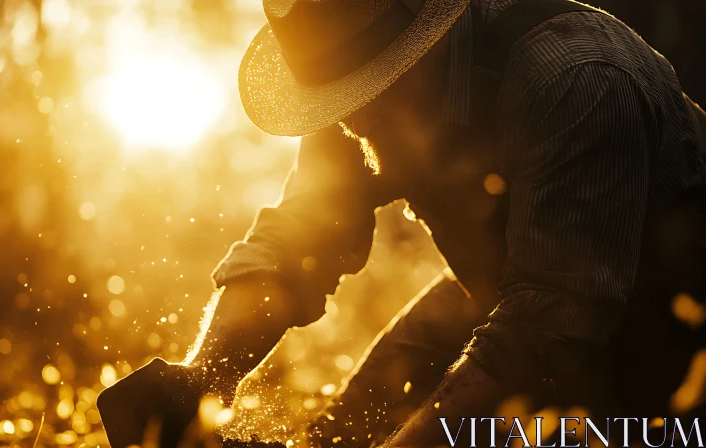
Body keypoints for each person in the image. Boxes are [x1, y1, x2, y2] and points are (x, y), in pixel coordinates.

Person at [97, 0, 706, 445]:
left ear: (427, 42)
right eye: (342, 102)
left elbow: (552, 319)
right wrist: (205, 375)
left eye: (373, 96)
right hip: (511, 297)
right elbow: (303, 234)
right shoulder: (353, 85)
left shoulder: (576, 78)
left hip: (670, 331)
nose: (355, 124)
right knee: (337, 436)